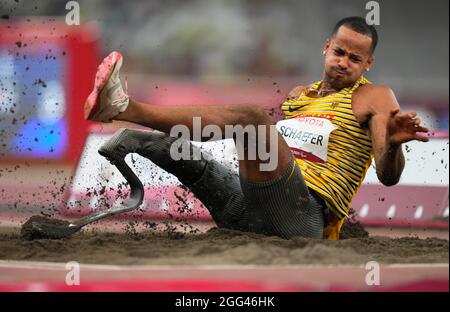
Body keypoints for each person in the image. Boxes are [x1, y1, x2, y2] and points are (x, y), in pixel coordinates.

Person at [84, 17, 429, 240]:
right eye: (340, 52)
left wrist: (394, 146)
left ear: (368, 64)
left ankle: (124, 107)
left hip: (302, 219)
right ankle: (124, 132)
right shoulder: (298, 97)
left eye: (355, 59)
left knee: (250, 119)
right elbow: (273, 155)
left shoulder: (375, 96)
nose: (344, 63)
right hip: (248, 213)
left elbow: (387, 176)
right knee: (170, 147)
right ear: (326, 47)